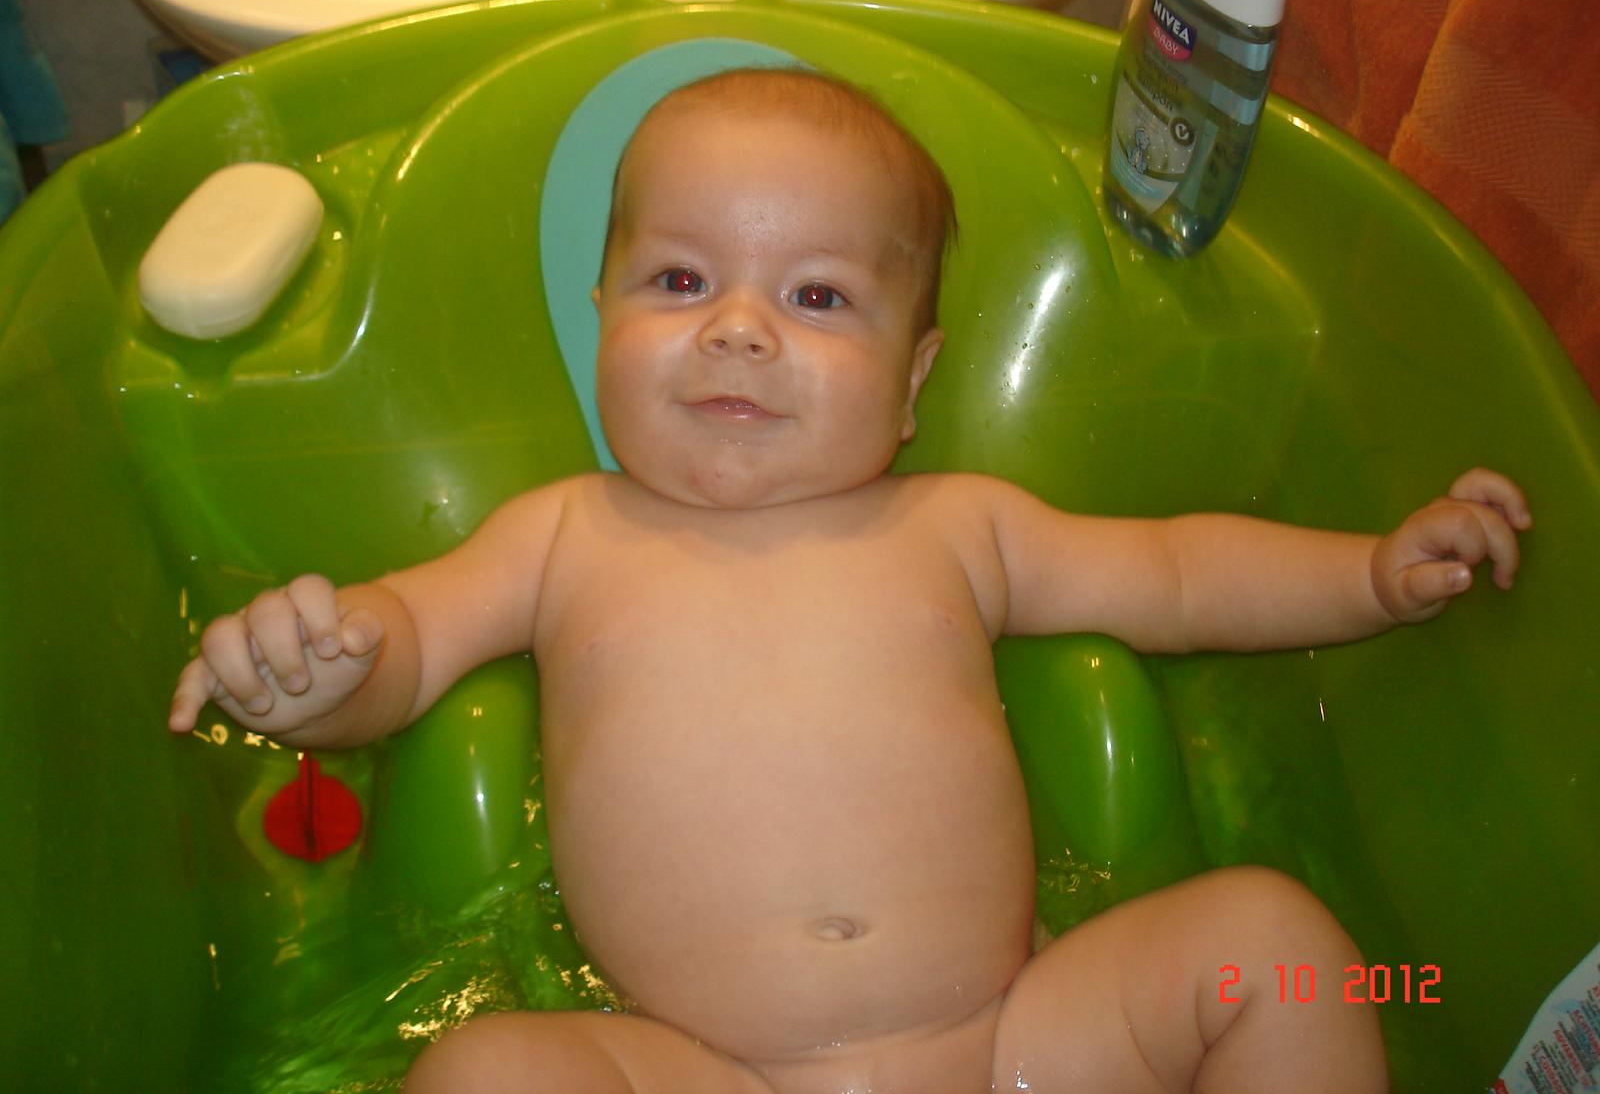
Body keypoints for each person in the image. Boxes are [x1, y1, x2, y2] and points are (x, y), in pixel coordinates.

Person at [169, 68, 1531, 1093]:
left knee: (1278, 951)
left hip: (1018, 1045)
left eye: (816, 298)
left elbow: (1176, 572)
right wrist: (316, 674)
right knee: (488, 1074)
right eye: (680, 280)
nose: (739, 330)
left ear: (914, 378)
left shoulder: (961, 524)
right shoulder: (561, 536)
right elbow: (407, 642)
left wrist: (1369, 574)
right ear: (601, 324)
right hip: (707, 1071)